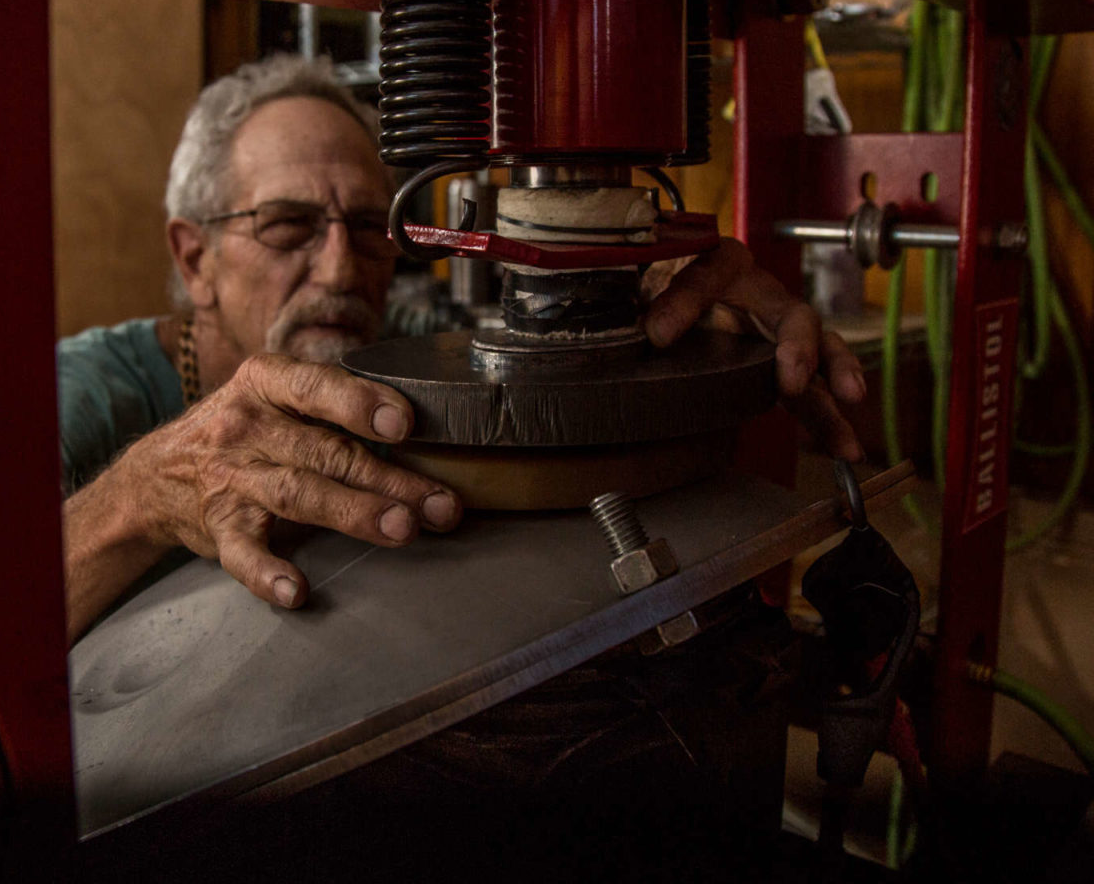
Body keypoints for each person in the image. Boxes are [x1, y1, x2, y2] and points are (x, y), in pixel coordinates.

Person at [60, 53, 865, 644]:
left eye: (373, 232)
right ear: (194, 257)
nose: (342, 269)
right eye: (288, 226)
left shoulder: (401, 360)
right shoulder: (86, 397)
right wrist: (136, 501)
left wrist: (654, 328)